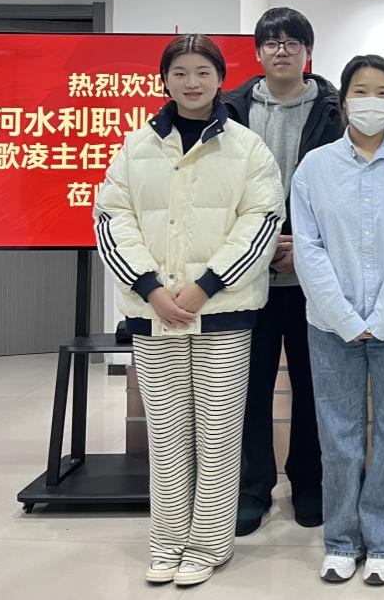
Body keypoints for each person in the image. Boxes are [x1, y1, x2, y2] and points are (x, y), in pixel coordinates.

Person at [94, 34, 284, 587]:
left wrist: (205, 286)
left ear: (220, 78)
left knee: (219, 433)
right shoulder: (136, 147)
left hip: (223, 311)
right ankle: (167, 540)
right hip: (153, 312)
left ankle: (208, 544)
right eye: (180, 72)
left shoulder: (248, 148)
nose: (192, 82)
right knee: (167, 434)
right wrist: (150, 287)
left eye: (203, 71)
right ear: (165, 80)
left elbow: (261, 222)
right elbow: (111, 219)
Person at [292, 54, 384, 586]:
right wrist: (343, 315)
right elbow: (307, 247)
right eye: (361, 90)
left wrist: (382, 316)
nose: (370, 101)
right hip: (330, 323)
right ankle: (341, 539)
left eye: (382, 92)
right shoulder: (315, 167)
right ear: (343, 102)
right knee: (339, 433)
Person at [225, 7, 344, 536]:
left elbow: (345, 190)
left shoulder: (335, 109)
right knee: (248, 388)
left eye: (293, 42)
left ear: (308, 52)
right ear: (257, 52)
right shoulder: (229, 110)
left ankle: (309, 483)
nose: (282, 51)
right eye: (272, 42)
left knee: (315, 387)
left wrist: (309, 247)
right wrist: (260, 244)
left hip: (314, 276)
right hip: (247, 276)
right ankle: (252, 487)